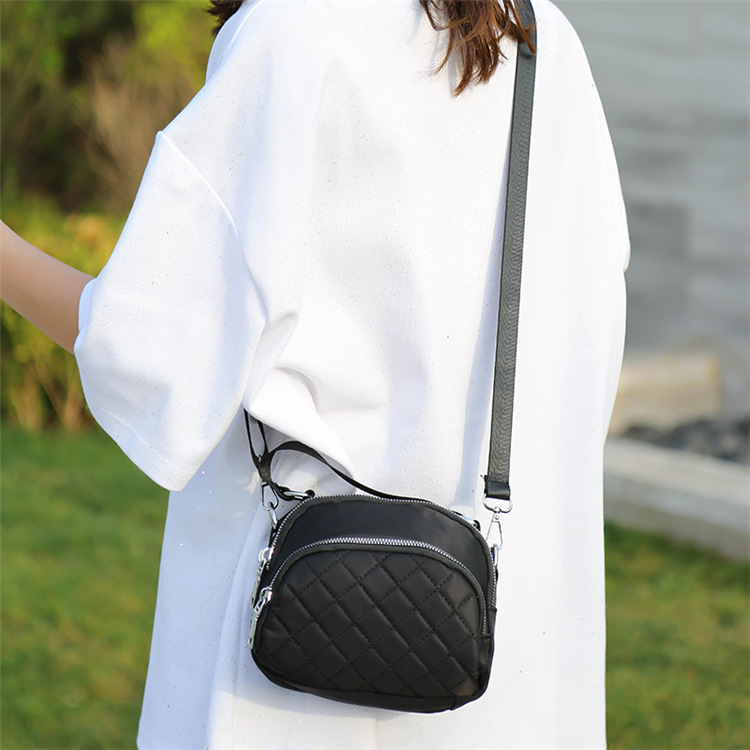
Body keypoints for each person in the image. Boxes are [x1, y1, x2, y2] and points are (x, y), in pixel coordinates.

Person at [0, 0, 629, 747]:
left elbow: (148, 350)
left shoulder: (293, 31)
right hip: (508, 660)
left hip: (290, 672)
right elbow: (579, 350)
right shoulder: (539, 36)